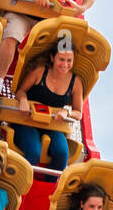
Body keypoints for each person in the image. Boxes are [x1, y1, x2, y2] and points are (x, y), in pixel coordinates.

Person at [12, 38, 84, 170]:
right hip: (27, 120)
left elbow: (78, 113)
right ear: (52, 57)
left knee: (62, 153)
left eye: (69, 60)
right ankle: (23, 184)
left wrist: (66, 112)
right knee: (34, 151)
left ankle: (48, 185)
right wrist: (23, 100)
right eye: (61, 59)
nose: (65, 64)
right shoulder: (40, 71)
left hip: (52, 124)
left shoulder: (76, 82)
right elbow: (20, 91)